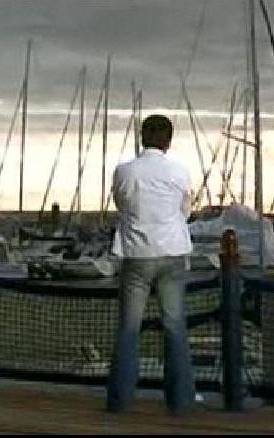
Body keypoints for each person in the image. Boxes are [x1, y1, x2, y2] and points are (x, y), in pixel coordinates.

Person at [106, 114, 195, 415]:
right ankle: (180, 401)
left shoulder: (125, 171)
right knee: (175, 326)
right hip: (172, 252)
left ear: (142, 137)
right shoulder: (179, 172)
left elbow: (122, 204)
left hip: (137, 252)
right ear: (169, 140)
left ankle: (120, 400)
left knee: (129, 328)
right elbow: (185, 210)